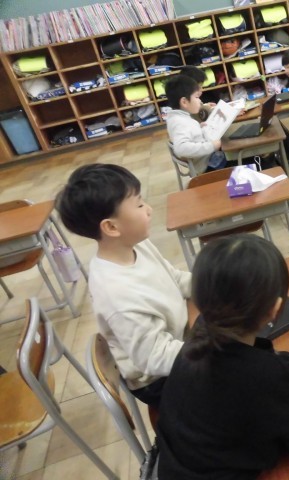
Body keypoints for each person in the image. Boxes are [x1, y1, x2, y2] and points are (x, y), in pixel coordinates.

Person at [157, 235, 289, 478]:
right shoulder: (259, 375)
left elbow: (266, 373)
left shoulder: (203, 329)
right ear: (275, 309)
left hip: (175, 465)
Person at [56, 164, 192, 409]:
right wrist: (216, 350)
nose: (149, 209)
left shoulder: (136, 245)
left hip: (181, 341)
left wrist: (216, 282)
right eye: (139, 204)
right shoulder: (117, 294)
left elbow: (175, 279)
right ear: (111, 227)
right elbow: (155, 357)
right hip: (161, 379)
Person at [165, 74, 226, 174]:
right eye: (197, 97)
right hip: (209, 165)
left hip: (207, 160)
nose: (199, 101)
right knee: (246, 158)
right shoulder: (180, 122)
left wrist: (199, 128)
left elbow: (189, 134)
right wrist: (211, 146)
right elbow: (181, 148)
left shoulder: (178, 117)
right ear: (184, 102)